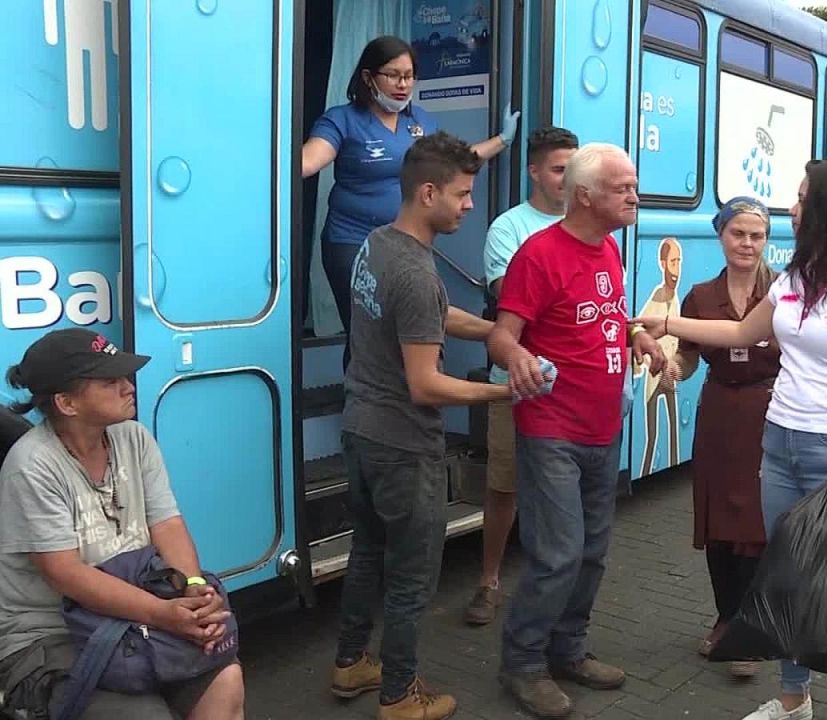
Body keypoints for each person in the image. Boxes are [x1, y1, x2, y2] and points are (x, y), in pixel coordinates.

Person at [635, 159, 827, 720]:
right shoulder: (794, 280)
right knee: (784, 577)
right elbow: (742, 332)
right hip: (781, 444)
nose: (791, 207)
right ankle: (794, 700)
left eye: (801, 198)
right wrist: (665, 325)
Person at [329, 132, 520, 720]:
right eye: (463, 195)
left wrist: (494, 333)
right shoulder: (414, 272)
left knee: (367, 554)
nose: (469, 205)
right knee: (412, 579)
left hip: (361, 430)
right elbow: (426, 385)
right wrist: (505, 391)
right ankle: (399, 696)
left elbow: (434, 314)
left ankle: (350, 664)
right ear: (428, 192)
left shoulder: (378, 246)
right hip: (403, 444)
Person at [487, 143, 666, 719]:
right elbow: (502, 334)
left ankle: (569, 650)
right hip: (551, 427)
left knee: (592, 552)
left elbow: (604, 313)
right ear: (585, 196)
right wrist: (515, 357)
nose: (635, 197)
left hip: (602, 426)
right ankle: (524, 663)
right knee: (558, 553)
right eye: (624, 189)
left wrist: (633, 335)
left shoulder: (609, 248)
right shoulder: (539, 255)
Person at [0, 329, 245, 720]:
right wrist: (165, 615)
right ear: (66, 402)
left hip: (132, 611)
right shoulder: (32, 466)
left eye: (125, 376)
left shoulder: (133, 437)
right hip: (50, 631)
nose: (128, 387)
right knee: (141, 715)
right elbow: (66, 574)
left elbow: (167, 523)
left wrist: (193, 589)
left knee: (225, 681)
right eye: (110, 381)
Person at [301, 35, 521, 336]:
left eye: (409, 76)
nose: (403, 84)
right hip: (352, 242)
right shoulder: (342, 119)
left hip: (408, 242)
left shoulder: (420, 120)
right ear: (368, 77)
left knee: (412, 326)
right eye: (393, 75)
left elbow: (453, 161)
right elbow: (309, 160)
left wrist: (502, 140)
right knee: (368, 333)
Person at [465, 126, 580, 627]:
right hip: (513, 380)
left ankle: (549, 589)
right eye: (558, 170)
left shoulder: (588, 227)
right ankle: (488, 582)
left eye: (574, 171)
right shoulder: (508, 228)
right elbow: (514, 301)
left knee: (560, 493)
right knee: (505, 486)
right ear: (533, 171)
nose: (567, 180)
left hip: (571, 385)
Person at [667, 196, 779, 680]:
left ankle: (750, 627)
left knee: (756, 525)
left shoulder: (783, 292)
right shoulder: (699, 296)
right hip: (720, 414)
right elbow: (689, 356)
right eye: (738, 234)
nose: (748, 244)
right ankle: (725, 615)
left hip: (771, 412)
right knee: (718, 524)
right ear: (722, 236)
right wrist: (672, 367)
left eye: (756, 235)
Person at [637, 237, 684, 475]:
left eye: (679, 262)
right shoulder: (657, 296)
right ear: (663, 264)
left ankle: (671, 465)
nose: (677, 269)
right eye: (673, 262)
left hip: (670, 374)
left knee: (674, 431)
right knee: (653, 434)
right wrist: (647, 362)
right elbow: (638, 331)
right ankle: (645, 470)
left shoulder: (674, 297)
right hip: (655, 376)